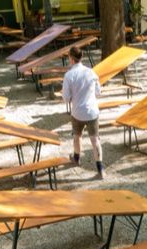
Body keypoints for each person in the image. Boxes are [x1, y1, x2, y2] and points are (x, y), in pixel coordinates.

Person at [61, 46, 104, 178]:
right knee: (95, 140)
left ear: (71, 58)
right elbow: (98, 92)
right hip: (92, 111)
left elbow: (66, 98)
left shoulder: (69, 75)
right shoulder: (91, 72)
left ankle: (76, 158)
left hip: (77, 112)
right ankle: (100, 169)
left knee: (77, 136)